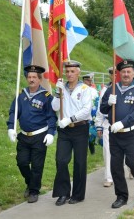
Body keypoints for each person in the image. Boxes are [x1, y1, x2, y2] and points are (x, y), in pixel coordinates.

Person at [6, 65, 57, 203]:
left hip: (39, 136)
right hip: (23, 136)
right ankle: (30, 182)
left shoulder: (46, 97)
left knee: (36, 166)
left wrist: (51, 133)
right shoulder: (21, 95)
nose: (31, 79)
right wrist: (11, 127)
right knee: (21, 162)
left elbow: (52, 117)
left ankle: (34, 191)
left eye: (34, 77)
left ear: (39, 79)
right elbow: (13, 112)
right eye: (29, 77)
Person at [100, 59, 134, 209]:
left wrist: (123, 123)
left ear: (133, 73)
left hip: (131, 133)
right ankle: (121, 196)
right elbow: (102, 109)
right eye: (123, 72)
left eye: (129, 71)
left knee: (132, 162)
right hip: (114, 134)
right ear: (119, 73)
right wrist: (108, 103)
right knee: (115, 166)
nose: (126, 74)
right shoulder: (112, 89)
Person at [51, 60, 93, 206]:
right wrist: (57, 92)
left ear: (78, 72)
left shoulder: (85, 89)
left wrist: (69, 119)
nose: (69, 74)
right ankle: (63, 193)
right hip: (64, 130)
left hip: (80, 128)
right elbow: (55, 107)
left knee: (80, 162)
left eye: (72, 71)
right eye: (67, 71)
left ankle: (78, 194)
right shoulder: (61, 87)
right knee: (61, 160)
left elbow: (86, 110)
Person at [95, 67, 115, 187]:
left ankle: (130, 169)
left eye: (116, 73)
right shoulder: (105, 90)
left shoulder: (126, 88)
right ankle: (108, 176)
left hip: (124, 124)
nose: (114, 76)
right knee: (107, 150)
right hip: (108, 123)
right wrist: (98, 125)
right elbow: (100, 109)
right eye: (112, 74)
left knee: (128, 152)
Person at [82, 73, 99, 155]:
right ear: (83, 80)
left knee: (91, 133)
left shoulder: (94, 91)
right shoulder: (79, 89)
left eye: (90, 81)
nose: (89, 82)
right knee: (83, 133)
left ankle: (92, 149)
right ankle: (83, 150)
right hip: (82, 114)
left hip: (92, 114)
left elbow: (97, 102)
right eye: (87, 80)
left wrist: (95, 115)